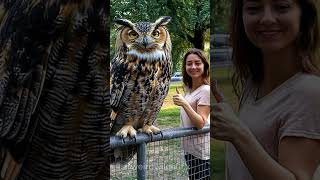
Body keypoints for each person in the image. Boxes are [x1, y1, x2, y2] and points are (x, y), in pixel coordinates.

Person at [211, 0, 320, 180]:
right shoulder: (253, 83)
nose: (267, 18)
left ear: (303, 15)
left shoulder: (309, 92)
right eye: (254, 8)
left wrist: (237, 133)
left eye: (282, 7)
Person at [173, 48, 210, 180]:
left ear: (204, 65)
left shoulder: (206, 90)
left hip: (202, 153)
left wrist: (184, 103)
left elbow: (201, 123)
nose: (193, 66)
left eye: (197, 63)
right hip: (190, 150)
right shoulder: (189, 90)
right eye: (189, 63)